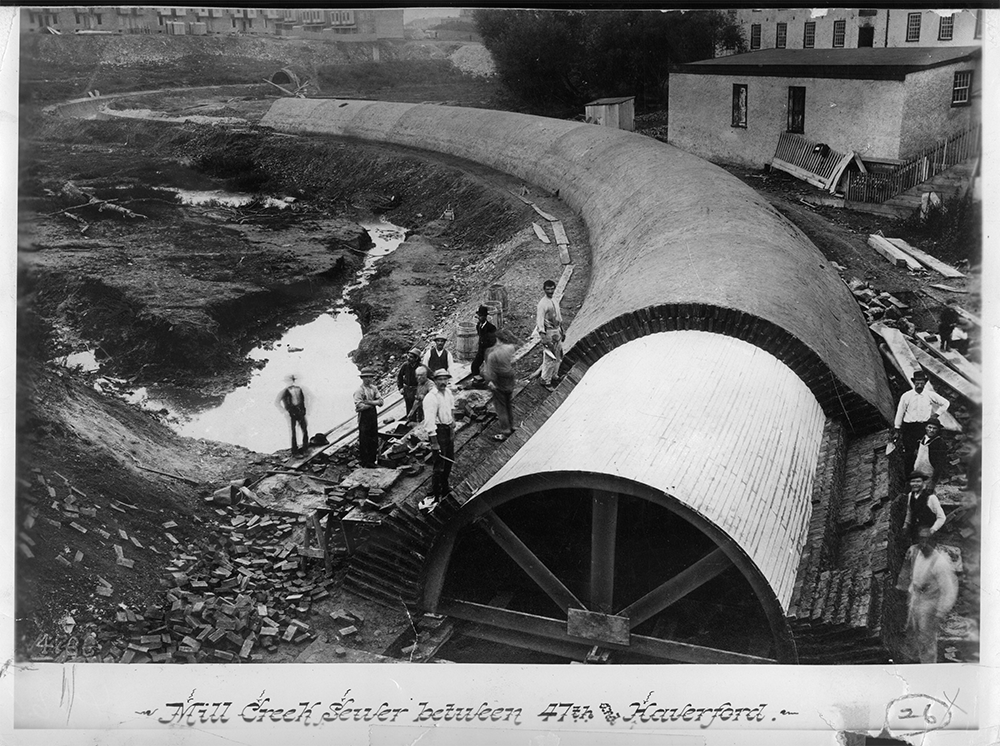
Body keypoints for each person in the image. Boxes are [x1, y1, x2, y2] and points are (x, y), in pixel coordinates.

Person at [895, 526, 958, 663]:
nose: (923, 544)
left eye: (927, 541)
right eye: (921, 541)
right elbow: (910, 572)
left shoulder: (940, 563)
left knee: (926, 637)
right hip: (916, 597)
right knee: (911, 629)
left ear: (934, 542)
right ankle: (910, 658)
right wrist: (906, 589)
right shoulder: (915, 551)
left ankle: (928, 665)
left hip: (930, 603)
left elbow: (949, 590)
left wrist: (940, 613)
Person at [893, 370, 950, 474]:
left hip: (923, 428)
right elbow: (900, 412)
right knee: (909, 453)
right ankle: (909, 479)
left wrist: (936, 414)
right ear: (914, 383)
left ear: (925, 383)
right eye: (917, 383)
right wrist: (897, 428)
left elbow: (946, 403)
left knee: (922, 452)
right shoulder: (906, 396)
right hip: (909, 428)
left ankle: (922, 476)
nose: (919, 385)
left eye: (922, 383)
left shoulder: (929, 395)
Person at [421, 368, 456, 510]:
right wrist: (434, 443)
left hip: (448, 429)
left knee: (449, 460)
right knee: (439, 465)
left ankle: (445, 487)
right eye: (439, 379)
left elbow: (451, 409)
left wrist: (453, 426)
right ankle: (435, 493)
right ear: (434, 381)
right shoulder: (431, 398)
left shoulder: (448, 393)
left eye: (445, 379)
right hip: (438, 432)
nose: (443, 382)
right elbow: (429, 422)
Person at [483, 331, 517, 441]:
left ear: (497, 340)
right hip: (510, 381)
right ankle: (511, 426)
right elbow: (514, 357)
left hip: (499, 382)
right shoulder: (509, 348)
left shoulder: (492, 354)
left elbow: (490, 373)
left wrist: (490, 382)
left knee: (501, 407)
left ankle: (505, 430)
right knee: (508, 404)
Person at [900, 471, 946, 547]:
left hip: (930, 532)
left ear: (923, 483)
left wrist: (932, 530)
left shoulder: (931, 498)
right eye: (912, 482)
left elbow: (942, 518)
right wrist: (906, 525)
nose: (915, 484)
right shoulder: (910, 495)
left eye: (918, 481)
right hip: (916, 531)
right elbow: (909, 511)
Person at [535, 280, 563, 390]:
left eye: (552, 289)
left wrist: (562, 331)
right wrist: (544, 338)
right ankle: (545, 380)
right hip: (549, 332)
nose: (550, 291)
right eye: (548, 289)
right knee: (549, 357)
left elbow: (559, 317)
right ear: (544, 289)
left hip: (557, 330)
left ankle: (554, 375)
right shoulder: (542, 304)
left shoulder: (554, 300)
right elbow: (539, 322)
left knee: (558, 355)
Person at [353, 366, 383, 468]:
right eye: (366, 377)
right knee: (364, 438)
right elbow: (359, 406)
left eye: (370, 377)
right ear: (362, 378)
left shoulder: (374, 388)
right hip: (364, 417)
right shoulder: (359, 391)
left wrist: (368, 402)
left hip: (372, 415)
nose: (368, 379)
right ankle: (365, 462)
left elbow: (381, 402)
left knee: (373, 437)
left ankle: (372, 460)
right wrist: (373, 403)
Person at [912, 416, 948, 488]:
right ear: (926, 427)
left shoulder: (939, 443)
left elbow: (940, 464)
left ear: (938, 430)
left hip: (929, 476)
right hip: (917, 473)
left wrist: (933, 481)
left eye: (934, 428)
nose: (931, 430)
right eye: (929, 427)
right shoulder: (921, 439)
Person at [278, 375, 308, 455]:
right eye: (287, 381)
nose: (289, 383)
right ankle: (295, 451)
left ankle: (305, 449)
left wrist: (304, 409)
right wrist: (285, 411)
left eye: (291, 380)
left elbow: (303, 400)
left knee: (304, 429)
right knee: (293, 432)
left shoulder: (299, 389)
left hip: (300, 411)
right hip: (291, 413)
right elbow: (277, 402)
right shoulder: (284, 391)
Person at [471, 305, 497, 381]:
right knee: (474, 365)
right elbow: (480, 336)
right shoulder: (478, 326)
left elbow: (493, 341)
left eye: (481, 316)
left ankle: (493, 380)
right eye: (479, 316)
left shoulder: (491, 328)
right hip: (481, 350)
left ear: (485, 317)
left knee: (490, 368)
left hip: (489, 350)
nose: (479, 318)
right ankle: (477, 379)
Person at [396, 347, 422, 416]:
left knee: (419, 409)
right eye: (408, 356)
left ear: (416, 358)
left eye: (411, 357)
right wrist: (400, 388)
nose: (408, 358)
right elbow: (399, 377)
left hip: (417, 390)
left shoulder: (421, 367)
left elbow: (429, 376)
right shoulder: (405, 365)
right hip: (407, 390)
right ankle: (410, 422)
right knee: (409, 409)